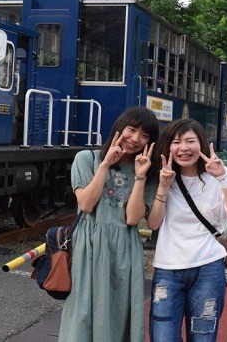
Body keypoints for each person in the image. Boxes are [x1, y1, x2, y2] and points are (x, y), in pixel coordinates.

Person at [58, 106, 160, 342]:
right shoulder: (86, 158)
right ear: (120, 128)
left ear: (150, 142)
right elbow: (85, 204)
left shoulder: (147, 172)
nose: (135, 139)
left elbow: (133, 218)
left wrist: (140, 176)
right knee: (82, 311)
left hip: (125, 248)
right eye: (131, 130)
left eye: (144, 135)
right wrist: (104, 165)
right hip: (89, 244)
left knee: (119, 310)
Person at [147, 118, 227, 342]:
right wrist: (164, 187)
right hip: (168, 269)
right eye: (176, 142)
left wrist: (222, 178)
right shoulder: (162, 176)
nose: (184, 148)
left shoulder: (219, 173)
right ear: (169, 147)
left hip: (209, 268)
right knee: (162, 337)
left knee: (203, 337)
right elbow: (153, 224)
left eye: (190, 141)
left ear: (201, 144)